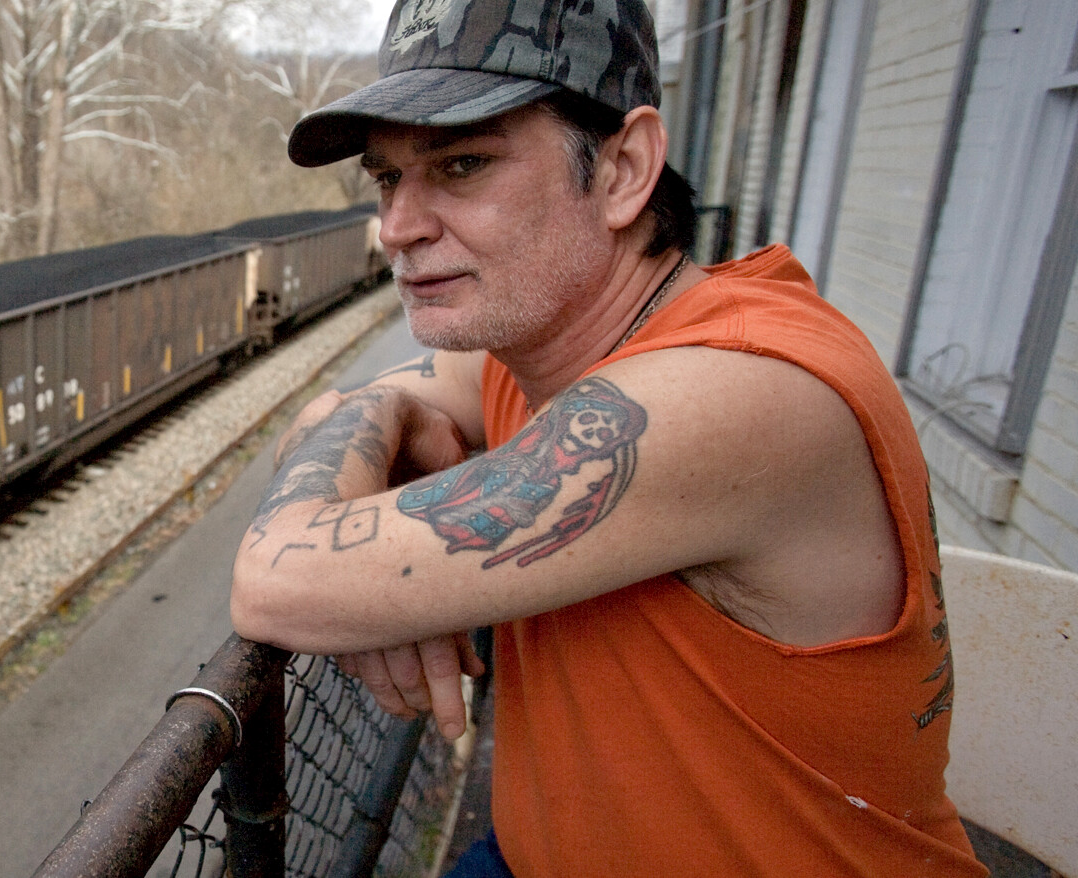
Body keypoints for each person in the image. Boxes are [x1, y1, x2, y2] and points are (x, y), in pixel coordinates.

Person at [228, 0, 987, 875]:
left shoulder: (738, 389)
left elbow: (275, 574)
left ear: (624, 169)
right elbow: (323, 421)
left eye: (463, 164)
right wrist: (382, 438)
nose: (398, 226)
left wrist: (360, 571)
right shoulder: (532, 350)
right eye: (388, 178)